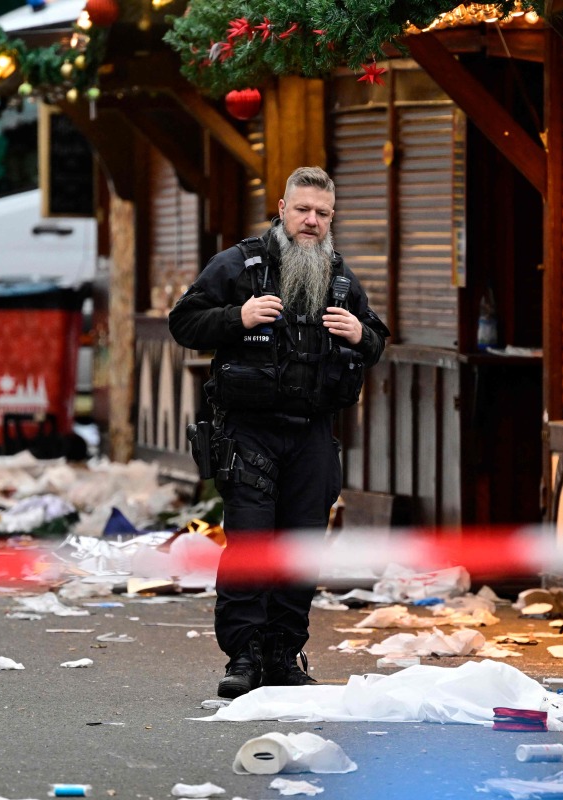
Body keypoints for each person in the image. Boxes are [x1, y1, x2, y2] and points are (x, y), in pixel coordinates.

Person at [168, 166, 389, 698]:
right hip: (250, 433)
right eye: (302, 210)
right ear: (283, 208)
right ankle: (243, 657)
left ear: (332, 218)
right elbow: (184, 322)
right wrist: (237, 318)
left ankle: (284, 655)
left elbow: (377, 339)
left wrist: (362, 335)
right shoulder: (239, 265)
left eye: (322, 213)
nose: (311, 221)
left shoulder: (338, 276)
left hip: (312, 434)